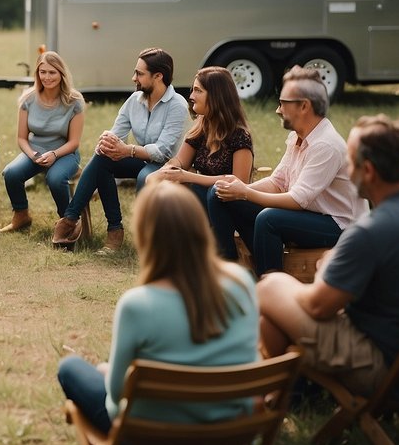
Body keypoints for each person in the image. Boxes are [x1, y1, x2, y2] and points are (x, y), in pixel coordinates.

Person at [258, 115, 399, 399]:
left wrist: (325, 267)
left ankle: (293, 395)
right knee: (273, 319)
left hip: (395, 374)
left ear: (369, 171)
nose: (347, 170)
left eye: (349, 161)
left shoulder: (372, 231)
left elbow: (317, 306)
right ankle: (301, 394)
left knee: (270, 287)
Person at [57, 181, 260, 431]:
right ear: (200, 227)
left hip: (152, 442)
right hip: (228, 435)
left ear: (145, 237)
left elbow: (117, 395)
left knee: (71, 367)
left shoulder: (137, 306)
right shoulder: (241, 282)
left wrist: (108, 373)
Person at [207, 65, 364, 275]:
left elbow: (298, 200)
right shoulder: (297, 137)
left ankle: (270, 282)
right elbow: (277, 182)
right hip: (310, 212)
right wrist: (238, 189)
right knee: (219, 193)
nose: (277, 110)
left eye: (282, 103)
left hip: (338, 224)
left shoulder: (325, 144)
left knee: (269, 219)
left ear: (304, 106)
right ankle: (229, 271)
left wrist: (245, 193)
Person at [51, 47, 189, 253]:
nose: (134, 78)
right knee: (102, 159)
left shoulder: (177, 105)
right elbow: (117, 133)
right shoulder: (135, 100)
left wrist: (128, 150)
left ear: (158, 76)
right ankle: (92, 224)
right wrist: (106, 142)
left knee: (145, 176)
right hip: (142, 158)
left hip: (169, 165)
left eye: (140, 74)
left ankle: (148, 239)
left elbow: (163, 152)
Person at [0, 51, 85, 232]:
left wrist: (54, 154)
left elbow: (74, 142)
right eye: (42, 72)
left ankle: (67, 221)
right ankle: (21, 215)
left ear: (61, 74)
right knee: (11, 174)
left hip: (65, 153)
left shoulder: (74, 101)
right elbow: (22, 138)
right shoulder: (28, 98)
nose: (47, 77)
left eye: (52, 72)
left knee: (54, 179)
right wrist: (33, 154)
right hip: (35, 150)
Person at [146, 66, 254, 206]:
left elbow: (238, 183)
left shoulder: (240, 136)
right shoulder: (201, 126)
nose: (191, 96)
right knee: (161, 184)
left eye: (198, 91)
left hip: (227, 205)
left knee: (211, 191)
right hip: (202, 196)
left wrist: (187, 176)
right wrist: (166, 171)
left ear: (216, 96)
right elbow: (180, 161)